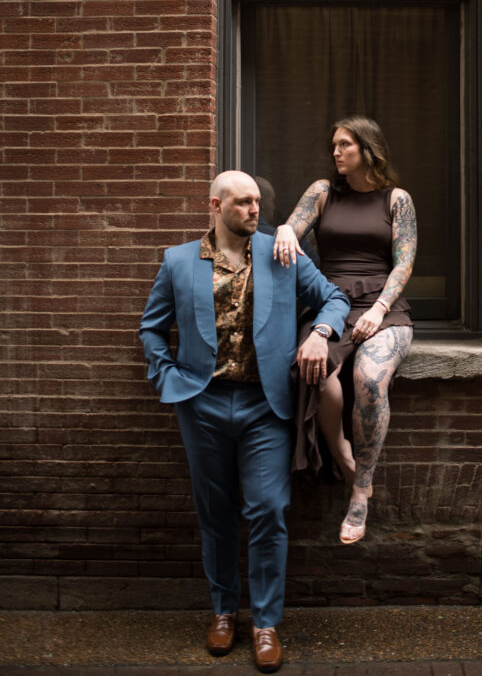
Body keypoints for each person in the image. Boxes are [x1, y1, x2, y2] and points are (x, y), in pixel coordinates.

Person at [138, 171, 349, 673]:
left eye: (258, 202)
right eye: (243, 203)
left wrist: (321, 332)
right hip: (202, 402)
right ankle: (222, 612)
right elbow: (151, 328)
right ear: (216, 205)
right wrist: (168, 378)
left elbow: (335, 298)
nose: (255, 210)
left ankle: (266, 623)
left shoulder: (281, 251)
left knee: (269, 510)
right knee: (215, 512)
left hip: (264, 406)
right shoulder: (178, 261)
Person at [273, 116, 417, 545]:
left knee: (369, 380)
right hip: (330, 307)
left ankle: (360, 491)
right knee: (319, 375)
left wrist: (380, 307)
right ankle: (342, 455)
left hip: (384, 308)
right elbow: (292, 230)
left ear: (368, 150)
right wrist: (283, 227)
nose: (335, 151)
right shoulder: (321, 192)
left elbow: (404, 262)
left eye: (345, 144)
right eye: (334, 145)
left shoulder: (397, 200)